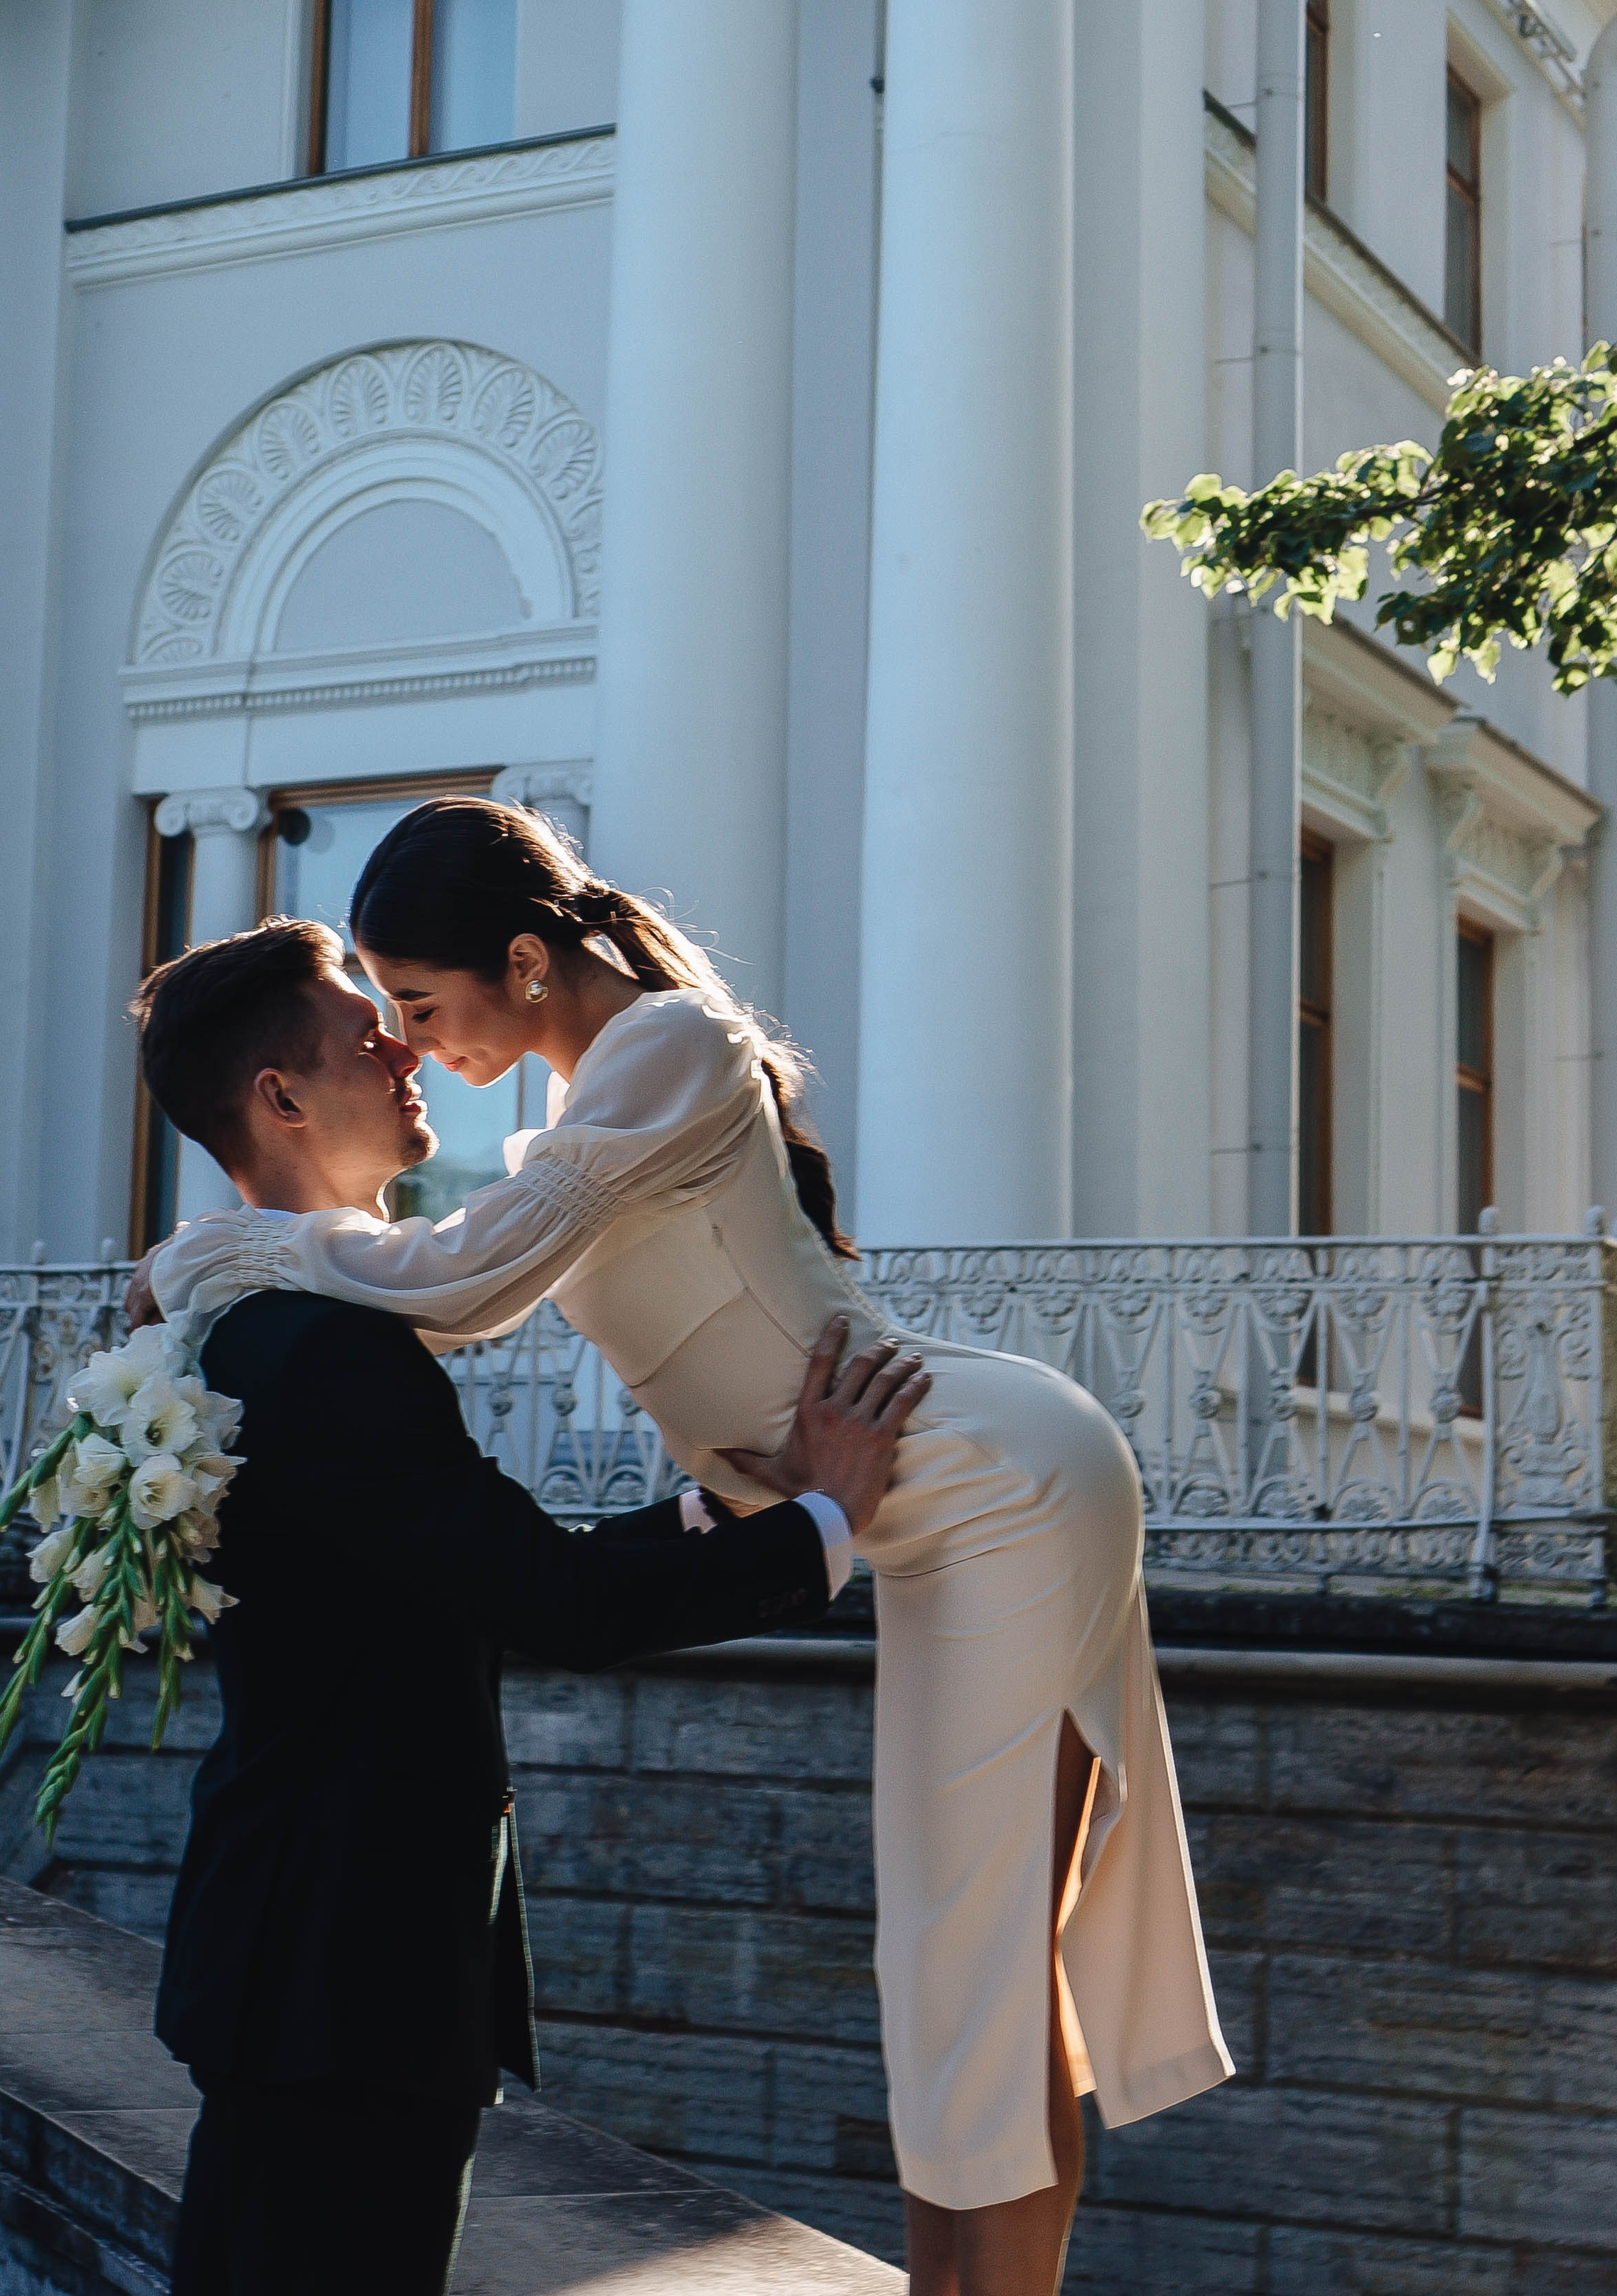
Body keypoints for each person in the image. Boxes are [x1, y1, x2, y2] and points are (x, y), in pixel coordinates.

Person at [144, 799, 1233, 2296]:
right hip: (899, 1499)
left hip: (989, 1479)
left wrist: (216, 1251)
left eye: (418, 1003)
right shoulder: (579, 1117)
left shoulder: (667, 1043)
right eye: (379, 1018)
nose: (408, 1044)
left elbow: (462, 1283)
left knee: (975, 1971)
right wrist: (770, 1505)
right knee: (942, 1970)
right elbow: (485, 1304)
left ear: (526, 962)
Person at [131, 918, 929, 2296]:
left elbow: (467, 1569)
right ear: (279, 1097)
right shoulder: (321, 1345)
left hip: (315, 1956)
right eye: (362, 1033)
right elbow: (548, 1598)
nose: (404, 1050)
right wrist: (818, 1524)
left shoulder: (256, 1318)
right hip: (346, 1968)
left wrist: (741, 1506)